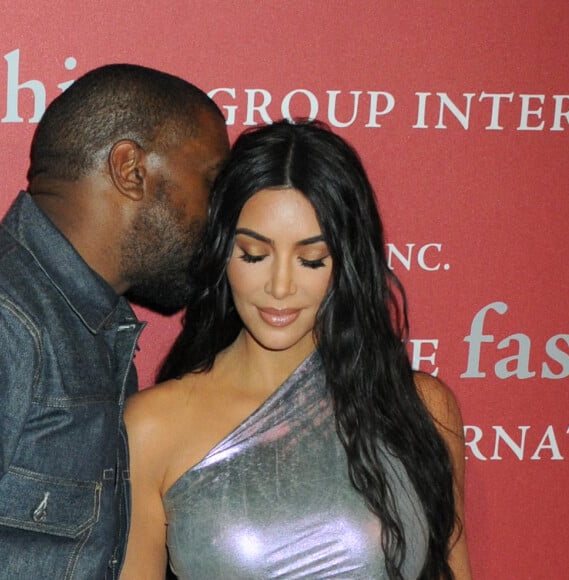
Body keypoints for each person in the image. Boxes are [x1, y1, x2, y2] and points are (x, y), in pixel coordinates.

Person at [121, 120, 472, 579]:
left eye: (311, 260)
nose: (280, 287)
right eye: (254, 254)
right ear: (222, 252)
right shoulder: (153, 427)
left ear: (346, 263)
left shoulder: (421, 409)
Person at [0, 63, 229, 579]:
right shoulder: (4, 318)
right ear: (130, 169)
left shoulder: (86, 323)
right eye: (211, 181)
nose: (221, 219)